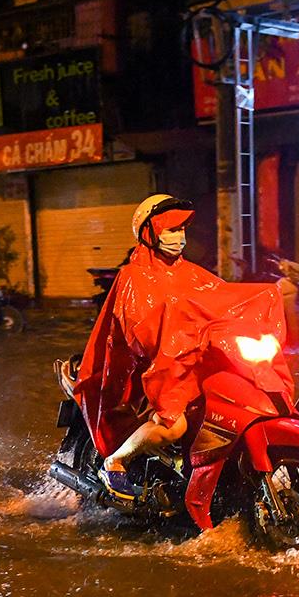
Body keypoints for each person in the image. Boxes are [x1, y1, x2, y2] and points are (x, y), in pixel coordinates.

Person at [74, 195, 234, 501]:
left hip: (186, 364)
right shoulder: (133, 278)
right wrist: (178, 346)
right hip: (147, 372)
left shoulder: (191, 273)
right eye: (171, 230)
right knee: (174, 428)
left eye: (182, 229)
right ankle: (115, 462)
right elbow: (141, 335)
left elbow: (224, 302)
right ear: (149, 232)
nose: (180, 238)